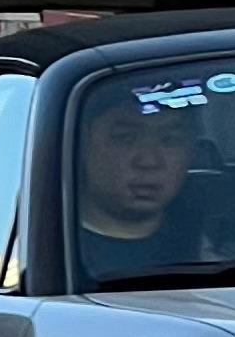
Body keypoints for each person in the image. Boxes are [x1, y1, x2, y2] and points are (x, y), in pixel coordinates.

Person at [78, 99, 205, 273]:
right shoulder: (46, 249)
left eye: (169, 140)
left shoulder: (218, 245)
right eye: (126, 138)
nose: (149, 161)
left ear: (191, 152)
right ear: (83, 145)